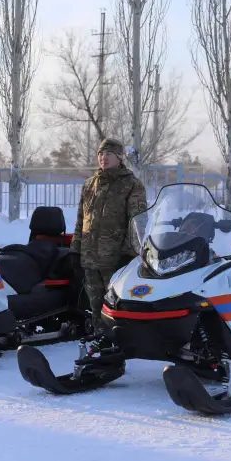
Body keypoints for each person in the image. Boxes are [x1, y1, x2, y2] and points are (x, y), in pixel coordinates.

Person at [71, 138, 148, 326]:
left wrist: (128, 253)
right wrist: (75, 249)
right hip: (90, 259)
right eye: (100, 154)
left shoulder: (131, 185)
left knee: (116, 307)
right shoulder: (89, 184)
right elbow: (81, 220)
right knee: (95, 307)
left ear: (119, 157)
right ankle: (99, 336)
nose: (103, 158)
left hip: (115, 260)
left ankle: (117, 339)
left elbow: (137, 222)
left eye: (108, 154)